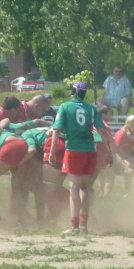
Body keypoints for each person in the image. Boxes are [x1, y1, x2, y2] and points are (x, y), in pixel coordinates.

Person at [49, 80, 104, 235]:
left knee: (74, 187)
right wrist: (106, 150)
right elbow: (101, 131)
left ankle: (74, 226)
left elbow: (56, 130)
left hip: (73, 149)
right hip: (90, 150)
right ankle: (83, 225)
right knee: (85, 188)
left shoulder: (65, 106)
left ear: (72, 92)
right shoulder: (91, 109)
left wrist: (52, 152)